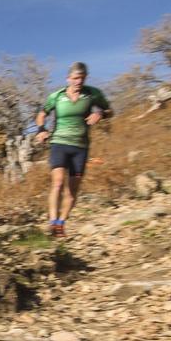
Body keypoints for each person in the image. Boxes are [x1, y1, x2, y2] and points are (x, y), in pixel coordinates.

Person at [35, 62, 112, 237]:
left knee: (72, 190)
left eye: (82, 78)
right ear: (68, 78)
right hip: (59, 143)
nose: (79, 82)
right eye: (76, 78)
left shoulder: (93, 94)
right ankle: (53, 222)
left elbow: (110, 111)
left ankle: (62, 222)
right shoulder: (56, 96)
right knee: (58, 182)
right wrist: (41, 129)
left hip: (80, 147)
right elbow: (41, 114)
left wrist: (100, 114)